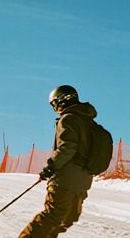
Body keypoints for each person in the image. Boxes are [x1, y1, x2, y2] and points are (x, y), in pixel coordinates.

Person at [18, 85, 98, 238]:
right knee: (66, 218)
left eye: (54, 104)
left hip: (65, 179)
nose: (54, 108)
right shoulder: (89, 123)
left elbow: (67, 148)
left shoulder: (68, 119)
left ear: (60, 101)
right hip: (82, 181)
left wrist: (50, 167)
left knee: (52, 216)